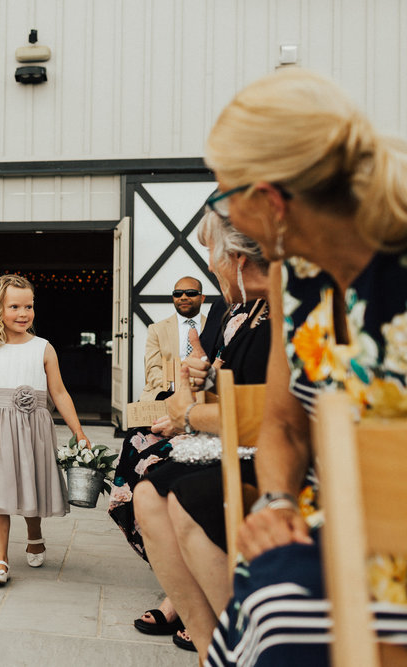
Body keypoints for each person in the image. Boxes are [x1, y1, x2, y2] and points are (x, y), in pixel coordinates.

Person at [202, 67, 407, 665]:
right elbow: (284, 427)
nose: (229, 220)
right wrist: (276, 504)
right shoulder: (296, 280)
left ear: (270, 201)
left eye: (225, 197)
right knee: (266, 602)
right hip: (327, 529)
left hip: (391, 549)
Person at [125, 211, 271, 655]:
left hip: (265, 445)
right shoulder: (245, 310)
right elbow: (225, 383)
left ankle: (232, 640)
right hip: (235, 429)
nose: (209, 265)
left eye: (212, 253)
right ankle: (211, 643)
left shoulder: (287, 311)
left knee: (172, 488)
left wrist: (189, 413)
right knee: (146, 481)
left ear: (240, 260)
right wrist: (198, 381)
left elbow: (271, 412)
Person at [0, 274, 89, 586]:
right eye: (14, 306)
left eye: (28, 306)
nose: (23, 313)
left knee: (30, 483)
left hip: (34, 427)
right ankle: (0, 561)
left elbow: (59, 393)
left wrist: (78, 431)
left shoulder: (43, 348)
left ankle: (34, 533)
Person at [139, 277, 206, 400]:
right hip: (166, 390)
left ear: (202, 298)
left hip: (204, 391)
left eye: (191, 293)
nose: (183, 297)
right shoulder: (157, 329)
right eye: (177, 294)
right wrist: (177, 386)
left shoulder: (215, 327)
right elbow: (153, 369)